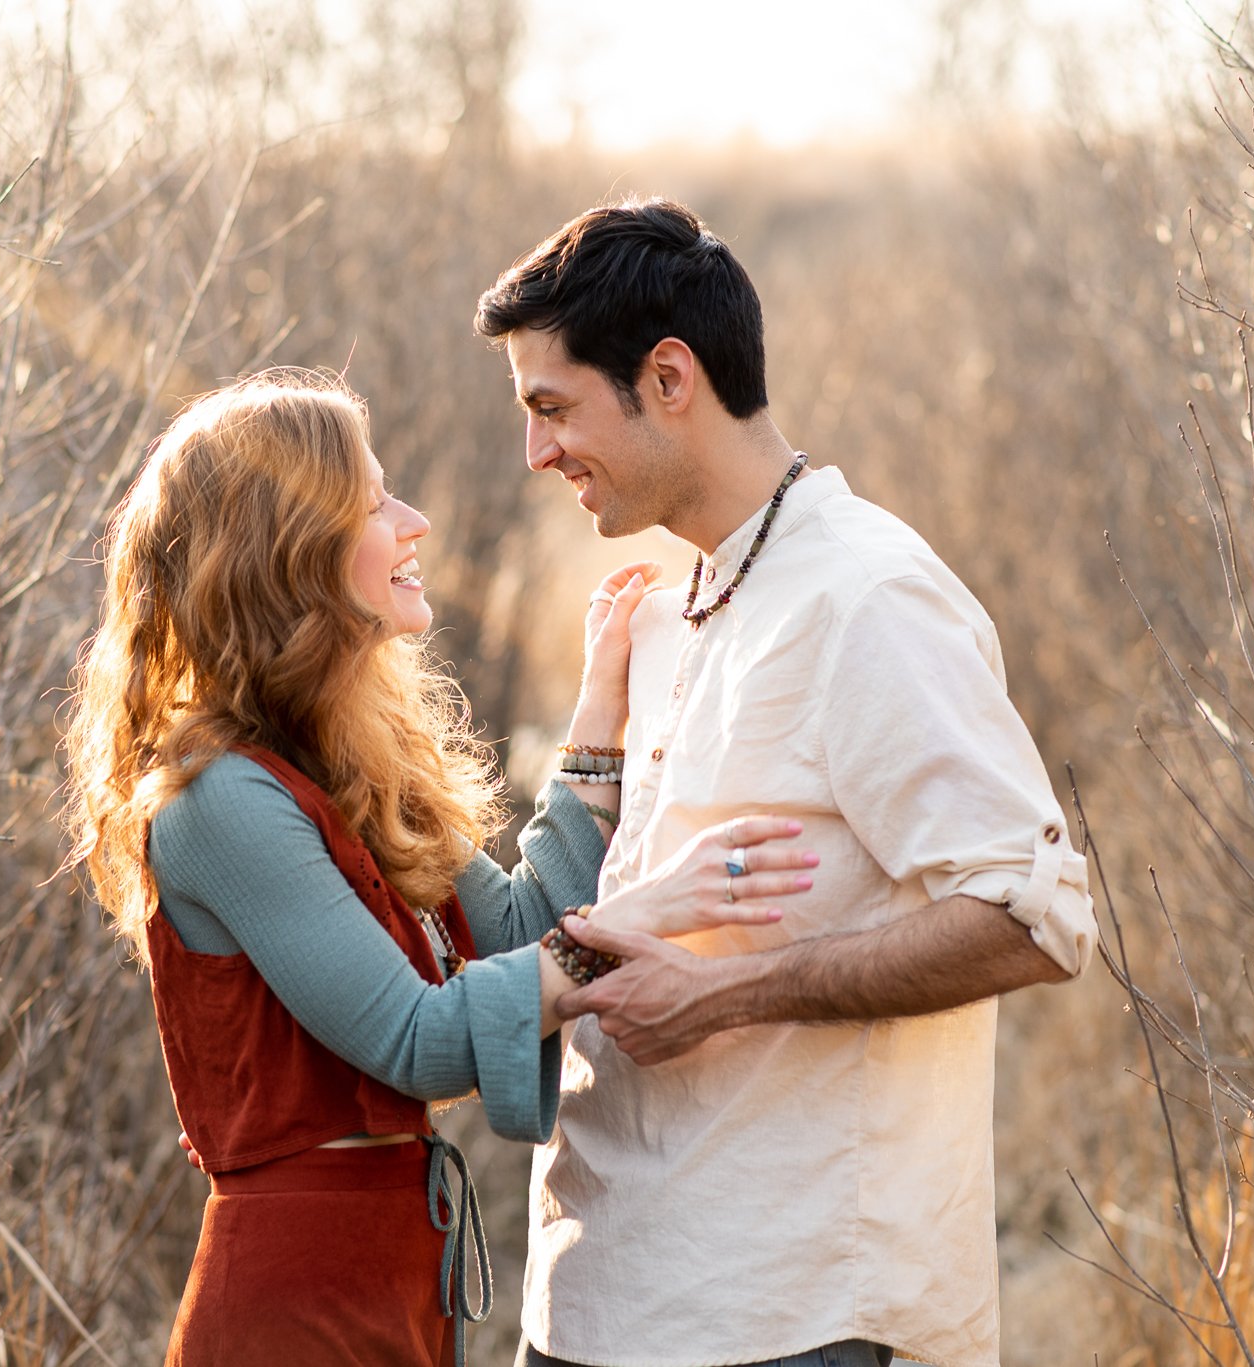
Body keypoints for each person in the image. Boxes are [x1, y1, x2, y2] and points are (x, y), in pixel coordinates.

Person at [58, 369, 821, 1367]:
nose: (412, 521)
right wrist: (647, 908)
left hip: (396, 1282)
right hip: (290, 1307)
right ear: (286, 548)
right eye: (373, 502)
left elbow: (513, 933)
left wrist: (597, 716)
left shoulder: (348, 761)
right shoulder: (219, 801)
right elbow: (414, 1037)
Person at [472, 201, 1099, 1367]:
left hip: (779, 1313)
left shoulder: (866, 596)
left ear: (668, 377)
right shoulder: (672, 605)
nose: (535, 453)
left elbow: (1034, 912)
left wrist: (725, 995)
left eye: (551, 408)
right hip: (595, 1297)